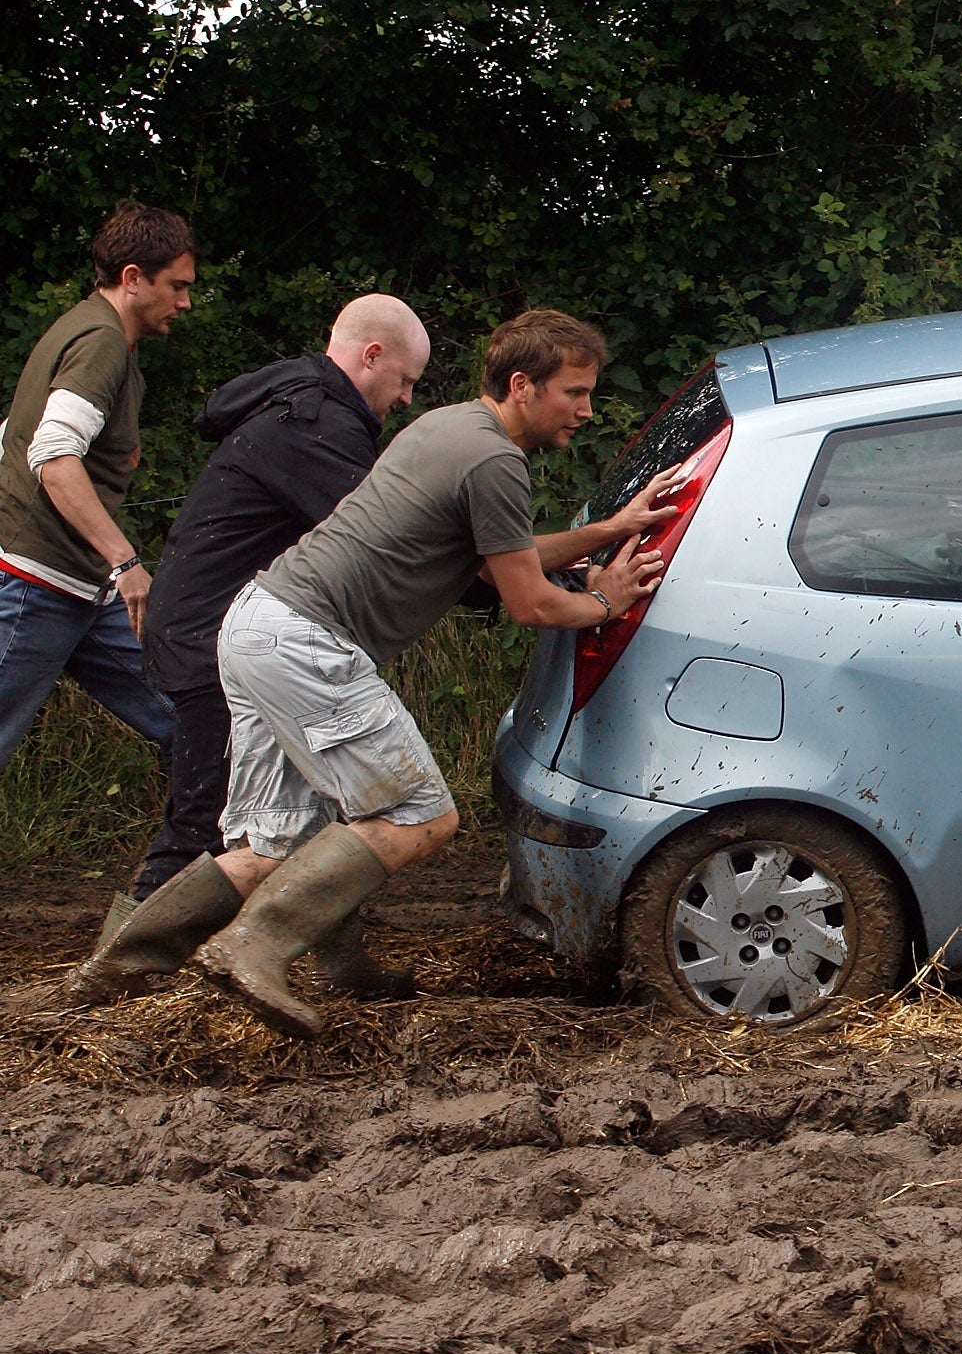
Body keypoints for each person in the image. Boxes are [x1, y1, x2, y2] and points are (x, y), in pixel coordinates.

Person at [69, 308, 678, 1035]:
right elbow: (528, 600)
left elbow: (501, 556)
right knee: (419, 814)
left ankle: (114, 972)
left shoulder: (451, 428)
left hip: (256, 622)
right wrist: (604, 601)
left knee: (268, 844)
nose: (584, 409)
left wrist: (608, 532)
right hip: (306, 642)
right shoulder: (494, 462)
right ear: (523, 385)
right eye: (574, 392)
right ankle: (252, 946)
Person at [71, 297, 430, 996]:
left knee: (320, 799)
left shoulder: (307, 412)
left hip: (220, 627)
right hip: (214, 638)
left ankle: (338, 962)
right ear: (372, 356)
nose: (408, 397)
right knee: (204, 811)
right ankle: (114, 974)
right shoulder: (315, 427)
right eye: (407, 379)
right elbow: (383, 538)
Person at [0, 202, 196, 779]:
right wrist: (125, 562)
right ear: (133, 278)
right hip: (33, 587)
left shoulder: (90, 330)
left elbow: (14, 431)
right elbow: (53, 457)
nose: (185, 302)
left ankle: (209, 855)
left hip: (81, 590)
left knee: (193, 718)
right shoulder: (100, 343)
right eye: (177, 286)